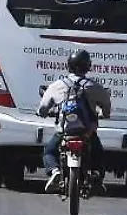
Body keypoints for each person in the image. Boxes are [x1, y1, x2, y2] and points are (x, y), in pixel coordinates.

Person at [38, 49, 112, 192]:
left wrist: (43, 113)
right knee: (99, 154)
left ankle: (54, 171)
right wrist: (104, 114)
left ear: (69, 66)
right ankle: (96, 175)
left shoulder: (57, 86)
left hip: (64, 131)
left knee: (49, 152)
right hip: (87, 132)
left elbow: (43, 108)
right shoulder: (94, 86)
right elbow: (106, 105)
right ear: (88, 67)